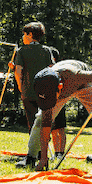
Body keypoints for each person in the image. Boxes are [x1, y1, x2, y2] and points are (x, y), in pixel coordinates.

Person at [24, 59, 92, 177]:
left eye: (51, 98)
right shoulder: (44, 86)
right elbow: (45, 125)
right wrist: (43, 158)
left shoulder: (74, 75)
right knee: (40, 120)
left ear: (60, 87)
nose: (49, 102)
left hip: (86, 87)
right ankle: (30, 158)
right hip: (58, 87)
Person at [10, 22, 63, 166]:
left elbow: (19, 71)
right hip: (45, 92)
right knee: (45, 123)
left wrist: (21, 88)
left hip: (29, 92)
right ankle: (43, 154)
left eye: (24, 34)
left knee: (32, 124)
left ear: (30, 35)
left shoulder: (22, 51)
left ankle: (34, 155)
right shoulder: (47, 50)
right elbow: (53, 68)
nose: (23, 37)